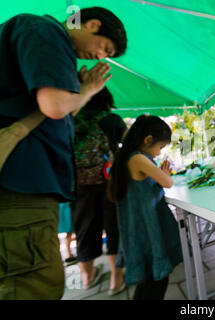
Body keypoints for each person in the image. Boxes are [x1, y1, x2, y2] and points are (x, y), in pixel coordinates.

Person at [0, 7, 127, 299]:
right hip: (19, 184)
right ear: (93, 24)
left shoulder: (38, 38)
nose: (101, 57)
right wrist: (90, 88)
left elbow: (53, 115)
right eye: (105, 48)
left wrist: (81, 91)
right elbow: (55, 106)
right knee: (33, 283)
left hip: (23, 182)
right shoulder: (46, 32)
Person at [107, 115, 183, 300]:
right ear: (148, 140)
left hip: (138, 230)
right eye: (160, 147)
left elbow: (148, 184)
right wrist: (166, 174)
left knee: (147, 281)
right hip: (148, 231)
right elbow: (167, 182)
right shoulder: (138, 158)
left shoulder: (126, 157)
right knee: (156, 282)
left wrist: (162, 174)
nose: (158, 153)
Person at [71, 86, 127, 295]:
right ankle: (116, 279)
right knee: (113, 229)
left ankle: (88, 277)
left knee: (84, 230)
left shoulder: (71, 118)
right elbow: (131, 146)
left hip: (79, 185)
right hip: (109, 183)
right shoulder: (112, 120)